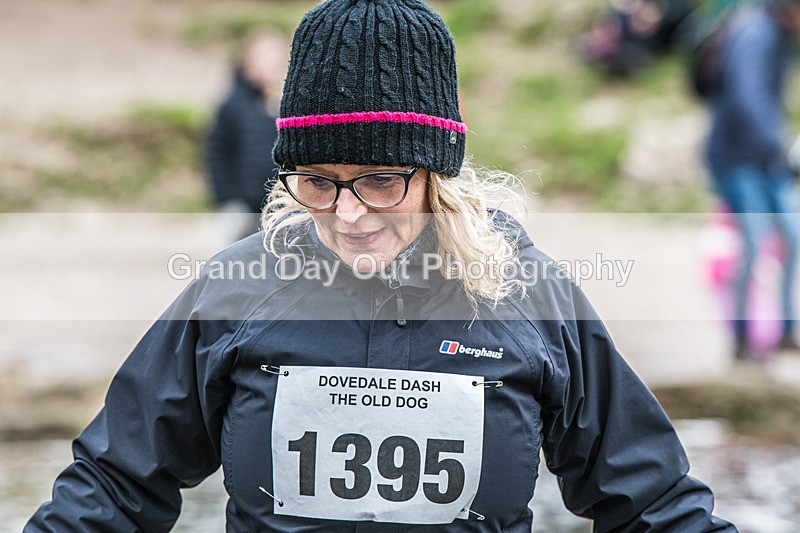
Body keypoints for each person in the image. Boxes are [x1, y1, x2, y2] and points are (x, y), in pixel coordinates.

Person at [27, 0, 736, 530]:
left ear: (437, 174)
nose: (347, 214)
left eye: (378, 180)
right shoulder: (237, 290)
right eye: (317, 181)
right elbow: (115, 483)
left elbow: (653, 502)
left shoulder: (530, 296)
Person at [704, 0, 800, 360]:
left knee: (792, 237)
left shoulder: (776, 30)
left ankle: (786, 331)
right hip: (738, 157)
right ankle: (742, 339)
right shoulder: (754, 33)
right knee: (755, 243)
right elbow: (748, 98)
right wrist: (781, 147)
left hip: (765, 157)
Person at [205, 31, 288, 244]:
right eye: (263, 61)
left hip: (277, 203)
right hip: (240, 201)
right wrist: (227, 195)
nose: (268, 68)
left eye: (275, 62)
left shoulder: (283, 105)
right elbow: (217, 153)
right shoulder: (233, 105)